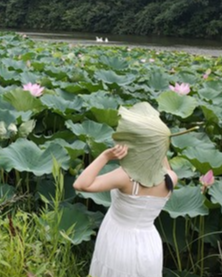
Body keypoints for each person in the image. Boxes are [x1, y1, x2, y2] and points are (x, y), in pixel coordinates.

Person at [73, 104, 178, 277]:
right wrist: (158, 143)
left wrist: (105, 156)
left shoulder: (125, 177)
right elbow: (160, 162)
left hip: (119, 242)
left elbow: (81, 184)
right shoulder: (171, 178)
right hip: (149, 245)